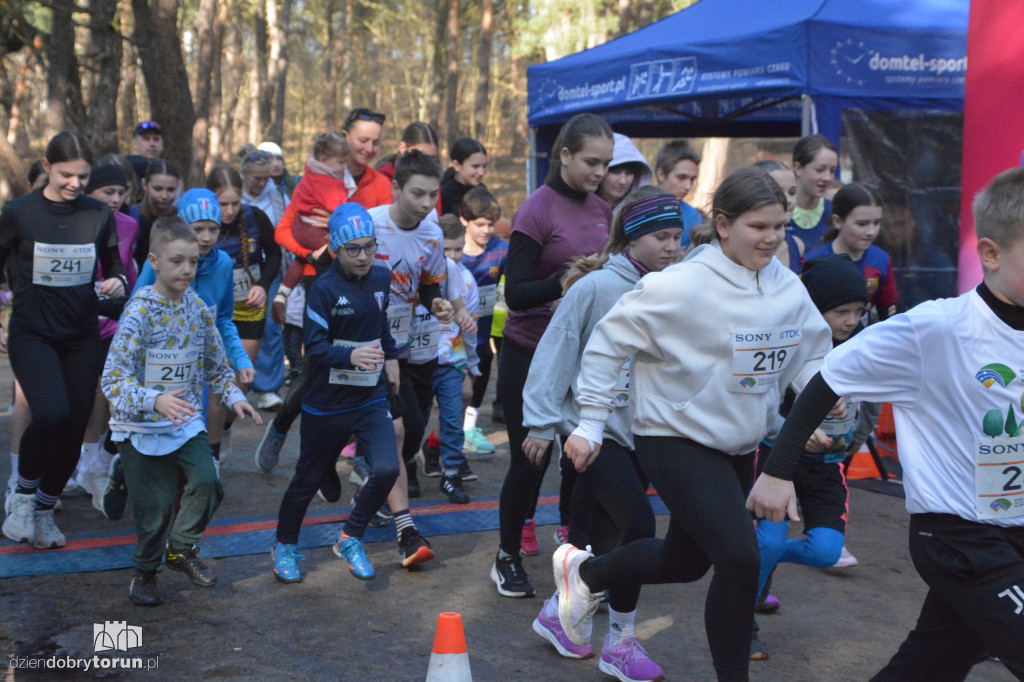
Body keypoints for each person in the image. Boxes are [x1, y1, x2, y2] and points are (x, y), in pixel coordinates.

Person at [553, 166, 833, 681]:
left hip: (738, 443)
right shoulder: (677, 286)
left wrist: (817, 394)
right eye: (758, 226)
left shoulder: (785, 285)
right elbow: (608, 342)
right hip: (672, 437)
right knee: (739, 558)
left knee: (687, 562)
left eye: (779, 225)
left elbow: (810, 354)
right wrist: (591, 420)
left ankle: (585, 571)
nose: (772, 237)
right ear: (723, 225)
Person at [747, 166, 1024, 681]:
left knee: (932, 663)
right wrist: (778, 471)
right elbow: (828, 378)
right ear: (990, 253)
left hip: (1017, 531)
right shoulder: (937, 328)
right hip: (961, 537)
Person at [524, 187, 681, 680]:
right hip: (592, 433)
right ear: (631, 238)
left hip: (647, 432)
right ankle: (621, 643)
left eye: (677, 236)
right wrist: (541, 424)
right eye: (661, 236)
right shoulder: (594, 289)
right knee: (639, 529)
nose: (671, 246)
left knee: (605, 539)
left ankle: (558, 612)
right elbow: (556, 352)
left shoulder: (675, 288)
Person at [101, 216, 260, 605]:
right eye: (176, 261)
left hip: (185, 421)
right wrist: (154, 399)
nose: (187, 269)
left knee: (207, 482)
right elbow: (112, 381)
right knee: (154, 509)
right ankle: (144, 573)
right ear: (154, 260)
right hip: (139, 424)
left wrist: (234, 395)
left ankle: (181, 548)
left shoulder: (198, 309)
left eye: (192, 261)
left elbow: (215, 365)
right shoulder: (139, 313)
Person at [492, 112, 614, 597]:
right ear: (564, 155)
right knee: (529, 462)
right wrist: (568, 280)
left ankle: (575, 552)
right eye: (590, 162)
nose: (599, 173)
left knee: (582, 459)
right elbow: (516, 293)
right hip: (530, 354)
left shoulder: (604, 211)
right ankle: (506, 557)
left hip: (586, 358)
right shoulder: (536, 211)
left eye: (606, 164)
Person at [0, 131, 128, 549]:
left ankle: (44, 508)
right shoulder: (19, 213)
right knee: (51, 414)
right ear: (45, 166)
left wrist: (117, 281)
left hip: (81, 334)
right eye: (66, 175)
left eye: (82, 176)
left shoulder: (97, 213)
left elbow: (114, 266)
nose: (75, 183)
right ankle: (21, 496)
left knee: (75, 426)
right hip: (32, 333)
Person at [271, 203, 399, 583]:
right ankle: (285, 545)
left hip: (369, 397)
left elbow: (382, 326)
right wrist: (351, 355)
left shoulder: (381, 278)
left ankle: (351, 537)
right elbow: (315, 349)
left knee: (387, 468)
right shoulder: (323, 288)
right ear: (336, 250)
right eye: (353, 249)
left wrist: (389, 357)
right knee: (307, 481)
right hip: (326, 403)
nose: (363, 257)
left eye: (369, 247)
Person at [749, 254, 868, 660]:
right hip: (776, 461)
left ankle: (754, 564)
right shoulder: (792, 347)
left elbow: (869, 406)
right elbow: (763, 407)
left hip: (827, 469)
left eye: (858, 311)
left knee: (826, 552)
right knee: (768, 540)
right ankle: (743, 612)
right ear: (816, 309)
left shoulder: (866, 347)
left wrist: (852, 442)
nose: (851, 320)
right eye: (841, 311)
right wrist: (795, 429)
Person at [123, 189, 255, 481]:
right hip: (153, 366)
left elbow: (222, 320)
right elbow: (131, 314)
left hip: (194, 368)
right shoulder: (159, 262)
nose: (207, 237)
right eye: (198, 229)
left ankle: (202, 469)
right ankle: (121, 464)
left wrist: (240, 359)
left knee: (188, 439)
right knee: (151, 444)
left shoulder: (222, 265)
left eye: (213, 228)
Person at [75, 164, 141, 511]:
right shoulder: (78, 221)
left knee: (108, 390)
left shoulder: (129, 225)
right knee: (75, 401)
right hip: (73, 322)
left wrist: (125, 287)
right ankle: (77, 462)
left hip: (113, 324)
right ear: (90, 193)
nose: (116, 200)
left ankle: (95, 466)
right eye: (107, 193)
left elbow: (129, 270)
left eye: (121, 192)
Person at [206, 165, 281, 460]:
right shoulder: (200, 223)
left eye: (235, 203)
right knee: (215, 385)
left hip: (248, 308)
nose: (229, 210)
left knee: (242, 382)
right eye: (222, 203)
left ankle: (223, 428)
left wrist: (263, 285)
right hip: (214, 312)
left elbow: (274, 254)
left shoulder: (255, 217)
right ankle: (210, 452)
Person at [420, 214, 480, 504]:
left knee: (453, 421)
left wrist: (472, 363)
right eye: (446, 250)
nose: (452, 257)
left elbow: (467, 323)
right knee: (414, 422)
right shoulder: (415, 270)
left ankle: (451, 474)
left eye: (458, 249)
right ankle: (407, 466)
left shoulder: (462, 277)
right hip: (418, 361)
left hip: (451, 363)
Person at [272, 132, 356, 301]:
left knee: (299, 262)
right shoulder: (327, 182)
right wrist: (309, 254)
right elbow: (281, 231)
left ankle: (282, 295)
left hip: (308, 243)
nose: (344, 167)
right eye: (341, 163)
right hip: (321, 266)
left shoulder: (311, 174)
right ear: (324, 160)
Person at [458, 187, 506, 458]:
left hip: (482, 335)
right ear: (464, 220)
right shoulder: (453, 251)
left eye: (490, 224)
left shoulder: (501, 251)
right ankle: (441, 441)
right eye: (480, 224)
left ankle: (470, 430)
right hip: (451, 336)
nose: (486, 230)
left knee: (482, 371)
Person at [805, 183, 898, 320]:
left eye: (877, 223)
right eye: (862, 224)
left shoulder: (881, 259)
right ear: (837, 221)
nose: (871, 232)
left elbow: (888, 309)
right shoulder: (812, 262)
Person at [788, 134, 838, 252]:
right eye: (820, 170)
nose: (827, 178)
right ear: (798, 168)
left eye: (832, 171)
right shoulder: (780, 212)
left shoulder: (835, 213)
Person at [751, 160, 802, 273]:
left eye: (792, 192)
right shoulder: (743, 245)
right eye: (778, 192)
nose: (788, 200)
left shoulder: (797, 245)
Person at [130, 160, 180, 271]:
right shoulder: (131, 218)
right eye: (158, 189)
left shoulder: (181, 219)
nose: (164, 196)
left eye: (171, 190)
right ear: (144, 185)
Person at [654, 139, 702, 241]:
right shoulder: (636, 210)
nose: (688, 186)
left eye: (693, 179)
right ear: (661, 175)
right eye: (682, 177)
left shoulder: (694, 218)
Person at [595, 133, 652, 210]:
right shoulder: (578, 209)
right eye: (616, 172)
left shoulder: (642, 211)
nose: (623, 181)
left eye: (629, 173)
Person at [375, 122, 440, 181]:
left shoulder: (434, 178)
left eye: (432, 158)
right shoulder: (385, 178)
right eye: (421, 156)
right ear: (402, 148)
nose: (427, 164)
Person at [440, 138, 488, 217]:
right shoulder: (443, 194)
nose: (481, 172)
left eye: (484, 166)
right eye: (475, 166)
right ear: (457, 165)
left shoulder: (482, 190)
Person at [241, 150, 288, 227]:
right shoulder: (233, 197)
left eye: (266, 178)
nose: (262, 183)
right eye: (257, 179)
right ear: (244, 174)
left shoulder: (279, 197)